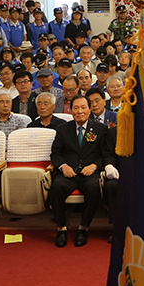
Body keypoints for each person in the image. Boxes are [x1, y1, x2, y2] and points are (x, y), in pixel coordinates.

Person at [48, 94, 119, 247]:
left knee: (93, 189)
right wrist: (63, 166)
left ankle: (83, 228)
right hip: (68, 173)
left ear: (89, 109)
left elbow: (105, 153)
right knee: (56, 188)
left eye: (83, 107)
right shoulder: (62, 129)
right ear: (71, 110)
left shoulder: (101, 129)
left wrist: (95, 165)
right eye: (76, 108)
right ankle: (61, 228)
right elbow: (55, 153)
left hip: (89, 173)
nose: (79, 111)